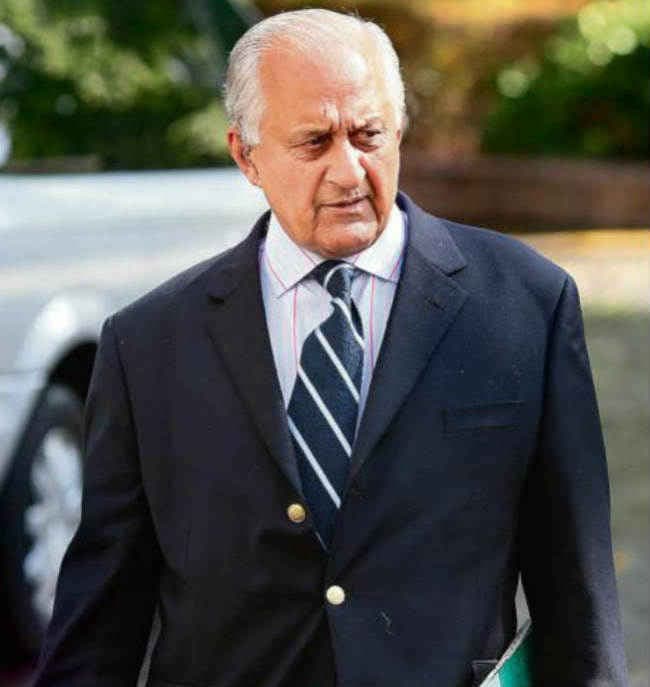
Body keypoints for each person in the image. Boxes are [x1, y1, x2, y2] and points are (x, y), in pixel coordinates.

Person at [34, 9, 629, 687]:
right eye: (314, 142)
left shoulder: (526, 305)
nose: (349, 171)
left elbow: (576, 593)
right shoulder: (147, 345)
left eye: (368, 135)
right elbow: (100, 621)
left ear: (397, 130)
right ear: (246, 155)